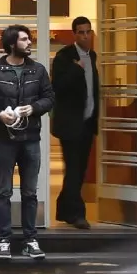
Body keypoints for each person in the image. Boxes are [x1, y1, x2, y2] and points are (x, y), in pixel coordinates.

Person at [0, 24, 55, 261]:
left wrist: (35, 107)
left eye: (29, 39)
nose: (29, 43)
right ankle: (4, 240)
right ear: (11, 44)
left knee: (30, 193)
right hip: (4, 139)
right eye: (24, 40)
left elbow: (49, 98)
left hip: (30, 139)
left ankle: (30, 239)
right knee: (4, 191)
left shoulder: (38, 71)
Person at [51, 16, 99, 229]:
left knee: (78, 169)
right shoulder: (64, 56)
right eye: (81, 32)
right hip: (69, 124)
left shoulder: (92, 56)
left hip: (87, 123)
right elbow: (57, 87)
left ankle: (64, 209)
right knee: (74, 168)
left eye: (88, 31)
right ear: (74, 34)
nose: (85, 36)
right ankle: (77, 214)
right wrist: (76, 69)